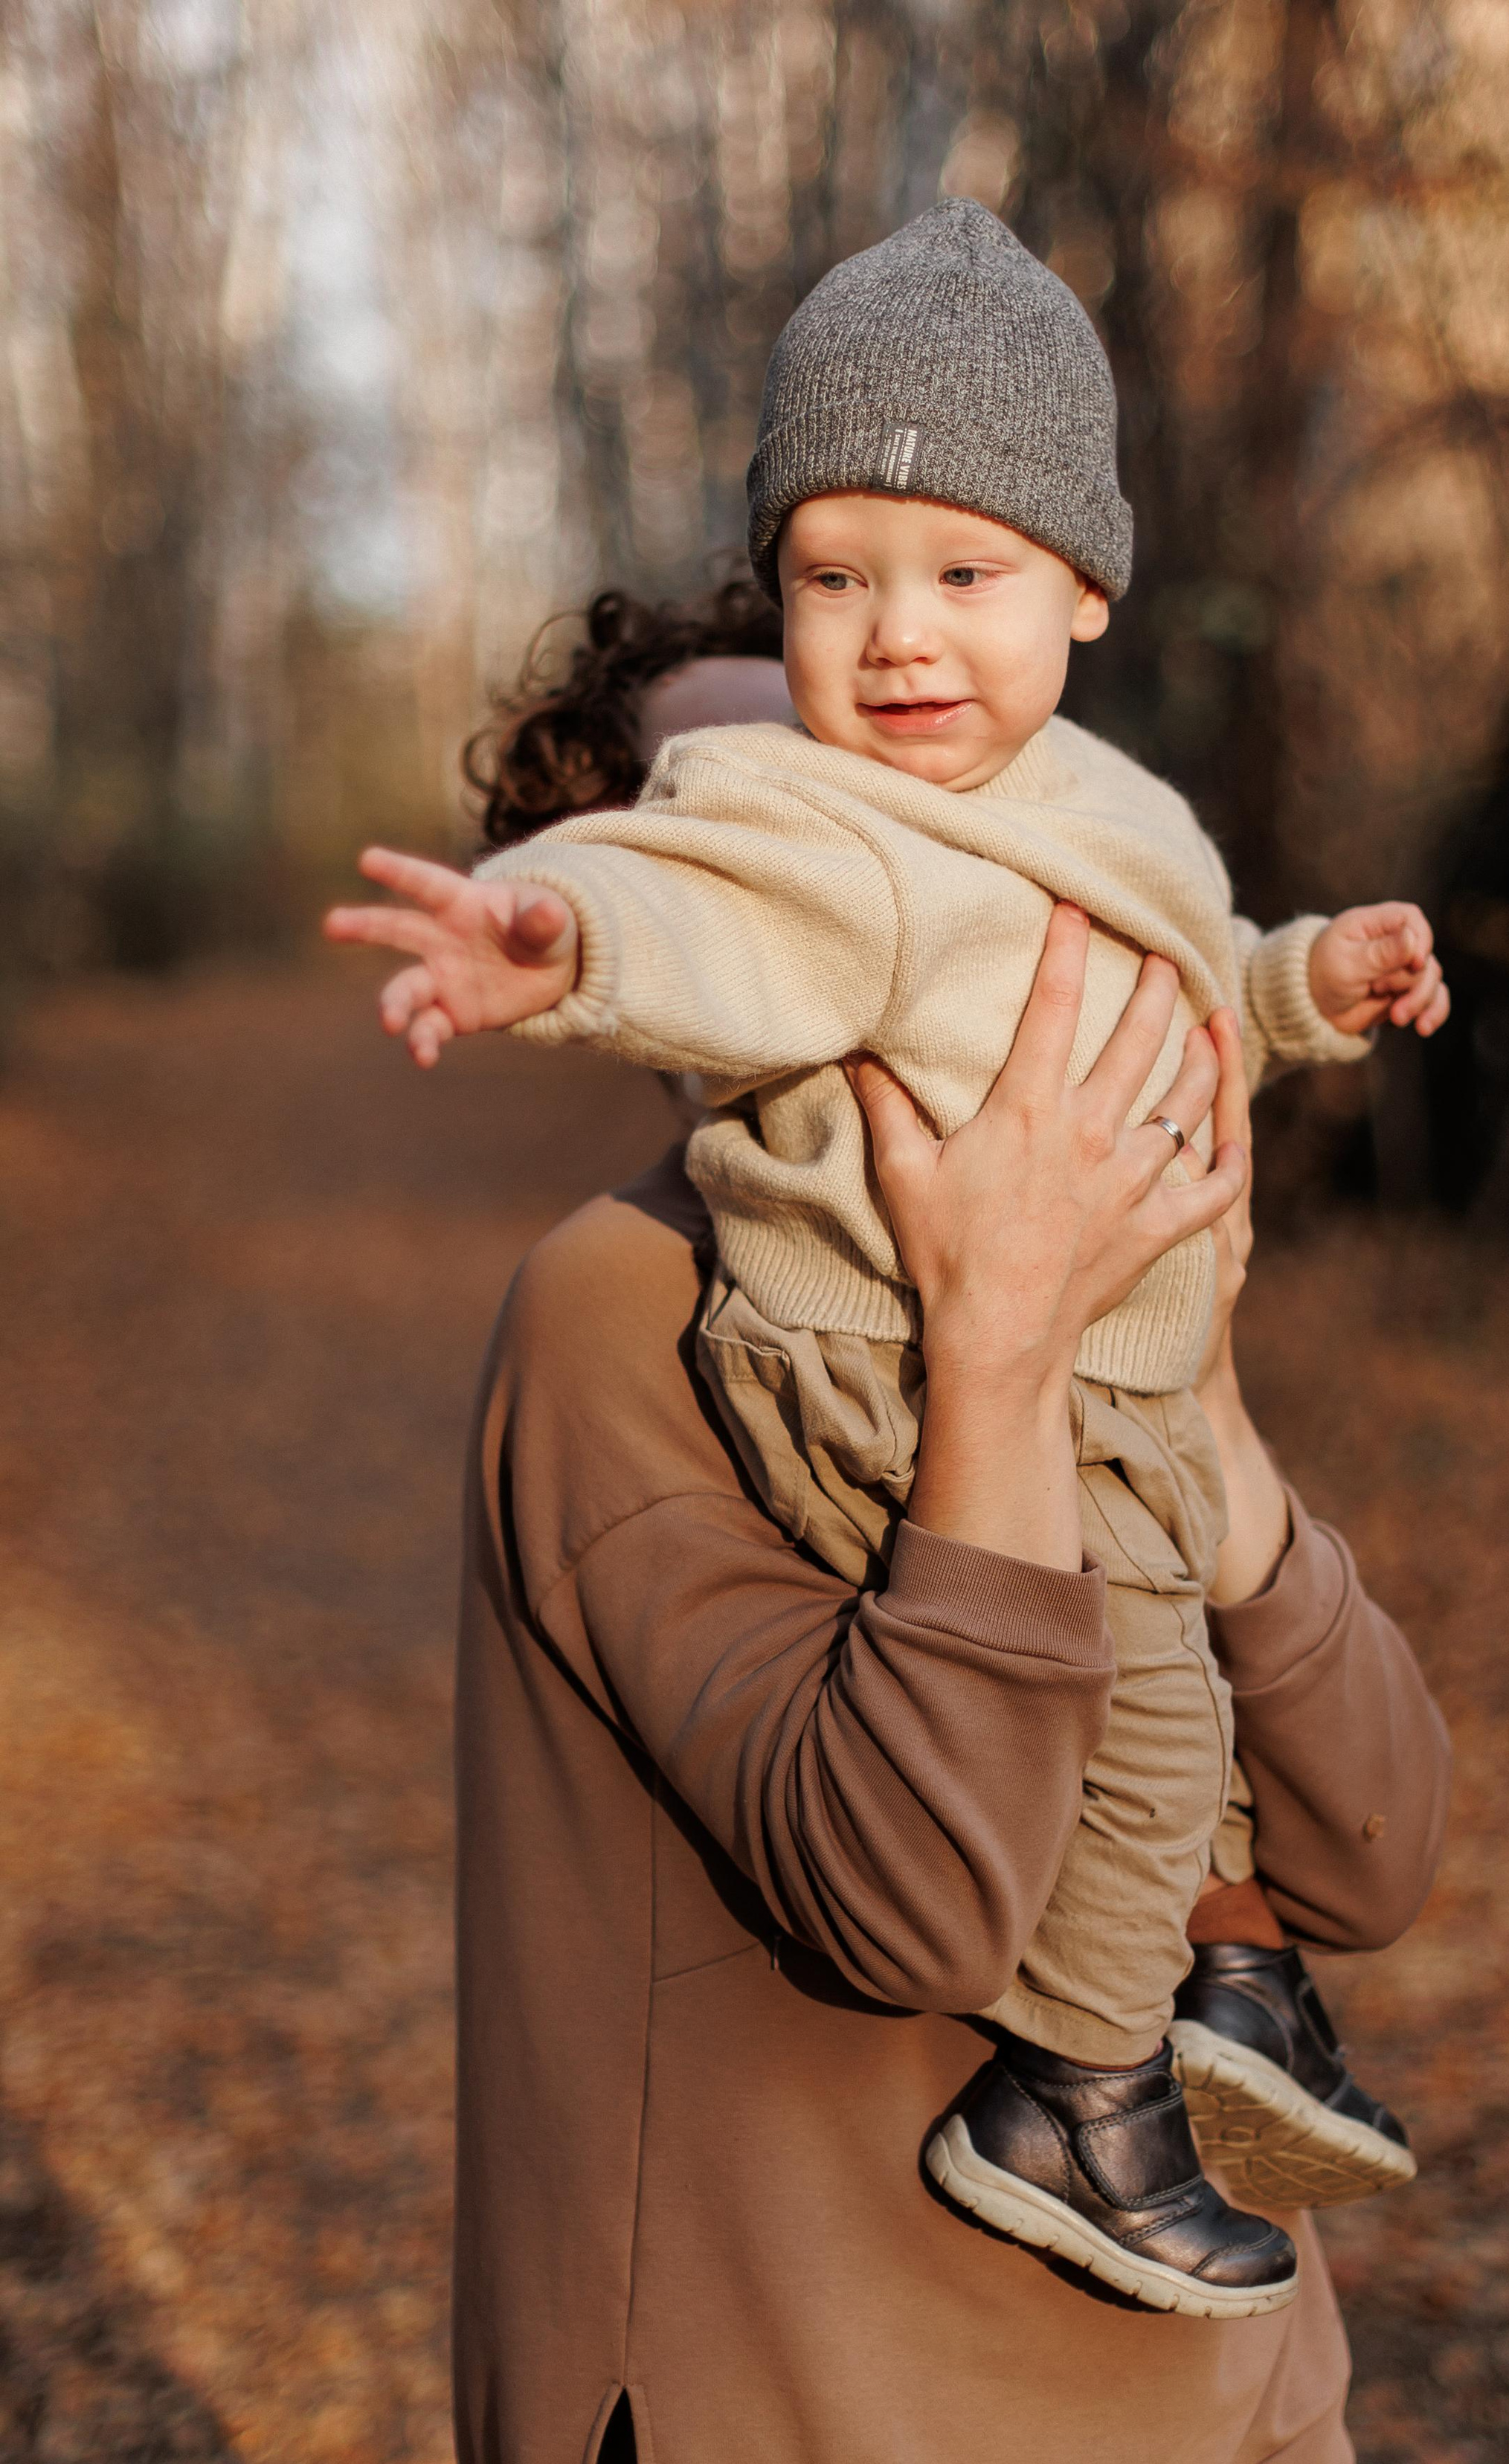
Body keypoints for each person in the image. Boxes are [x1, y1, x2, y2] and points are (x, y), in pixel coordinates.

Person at [328, 199, 1450, 2320]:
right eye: (837, 596)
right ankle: (1092, 2077)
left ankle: (1220, 1983)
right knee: (1114, 1713)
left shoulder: (1056, 824)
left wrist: (1306, 998)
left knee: (1180, 1718)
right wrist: (564, 935)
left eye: (956, 586)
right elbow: (702, 910)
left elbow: (1390, 1841)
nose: (894, 668)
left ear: (1072, 603)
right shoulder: (631, 1272)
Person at [451, 904, 1449, 2464]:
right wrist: (996, 1355)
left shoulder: (1092, 1243)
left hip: (1237, 2457)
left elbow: (1376, 1851)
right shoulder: (626, 1305)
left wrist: (1215, 1416)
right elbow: (918, 1904)